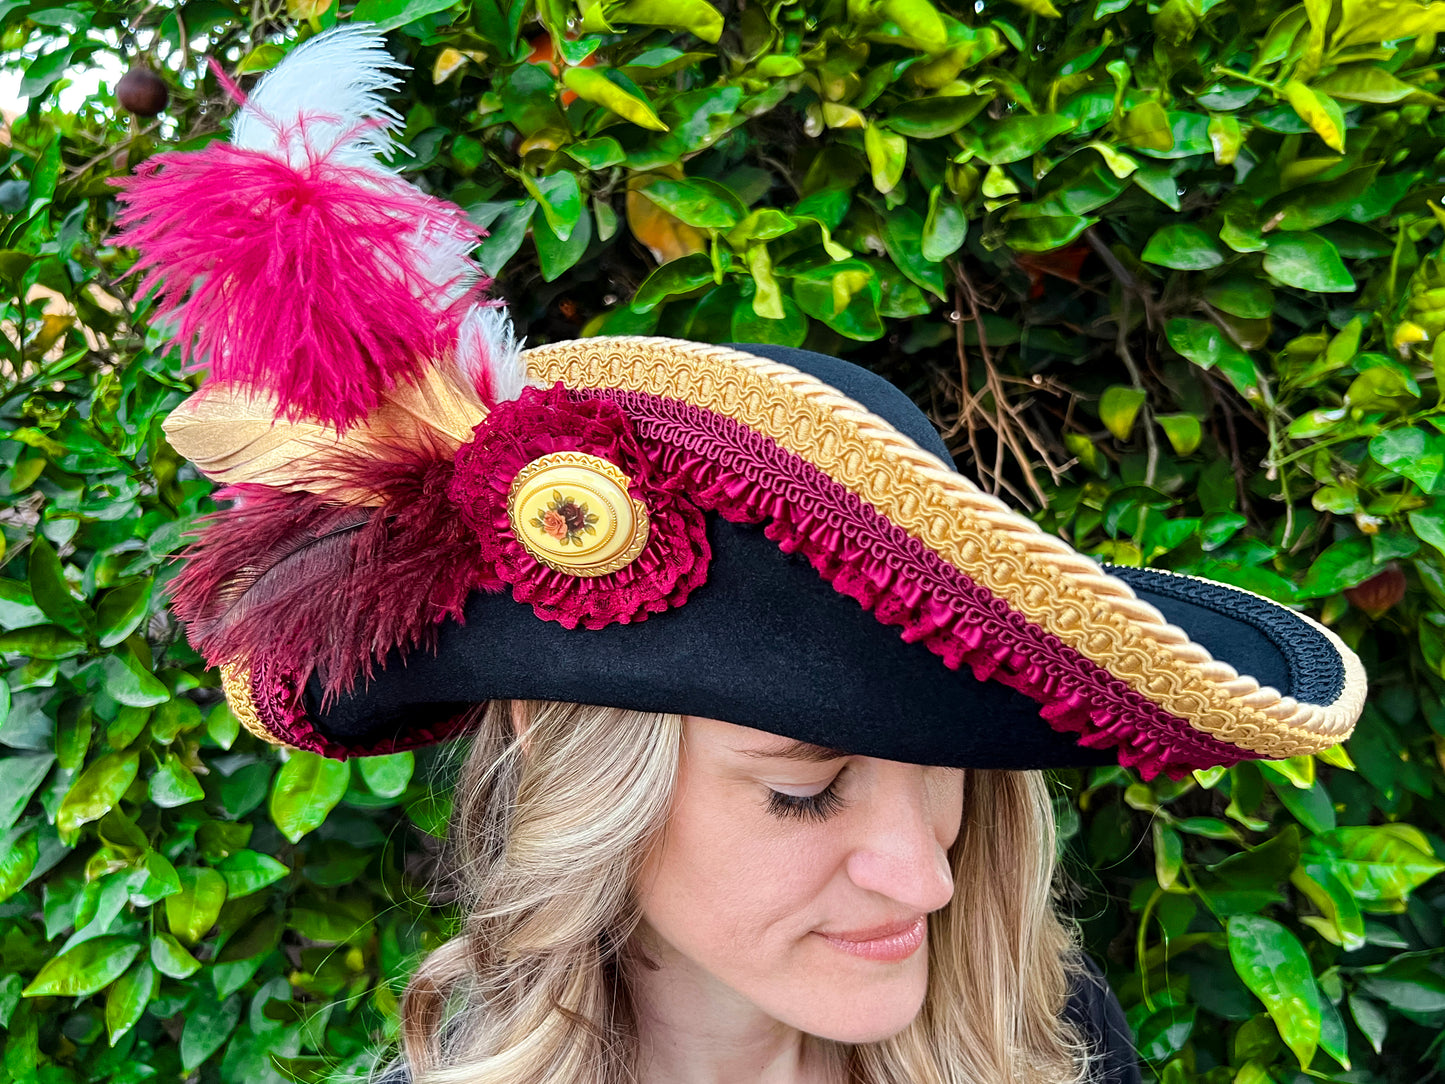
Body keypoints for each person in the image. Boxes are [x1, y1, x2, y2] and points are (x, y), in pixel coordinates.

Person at [114, 26, 1367, 1084]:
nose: (923, 875)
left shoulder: (1044, 1039)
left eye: (943, 764)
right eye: (804, 785)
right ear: (583, 784)